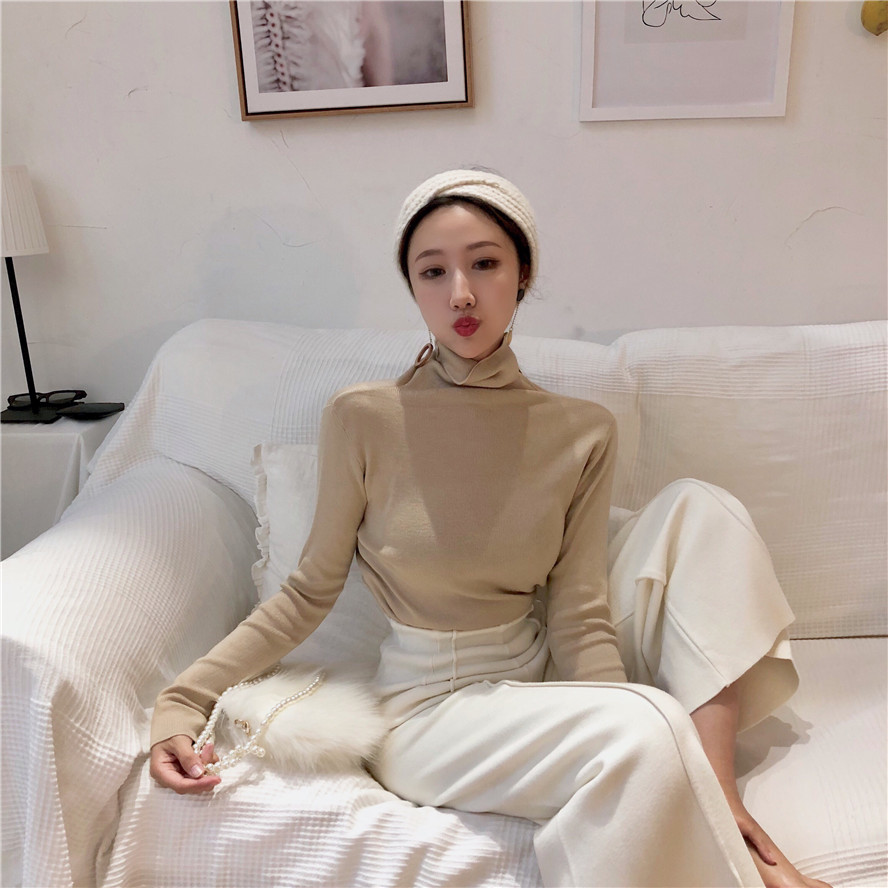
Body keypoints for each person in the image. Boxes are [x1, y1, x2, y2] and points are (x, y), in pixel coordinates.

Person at [150, 169, 830, 888]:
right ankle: (744, 854)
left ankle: (717, 798)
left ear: (522, 274)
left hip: (539, 683)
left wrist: (622, 713)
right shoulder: (364, 418)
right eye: (432, 272)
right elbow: (307, 593)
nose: (461, 294)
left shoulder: (580, 430)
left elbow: (578, 611)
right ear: (413, 288)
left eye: (484, 264)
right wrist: (184, 700)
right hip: (428, 711)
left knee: (700, 520)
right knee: (648, 727)